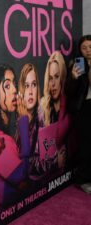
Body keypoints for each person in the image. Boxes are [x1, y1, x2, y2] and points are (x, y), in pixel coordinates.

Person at [0, 64, 30, 220]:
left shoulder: (3, 132)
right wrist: (24, 123)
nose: (14, 90)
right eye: (7, 85)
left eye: (14, 83)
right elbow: (22, 176)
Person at [67, 34, 91, 194]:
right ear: (80, 50)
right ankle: (82, 178)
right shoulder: (79, 65)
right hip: (84, 109)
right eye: (85, 48)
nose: (88, 50)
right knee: (87, 145)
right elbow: (69, 92)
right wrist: (73, 78)